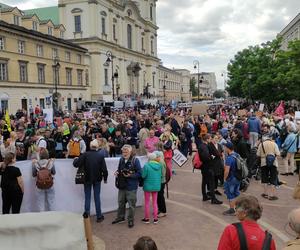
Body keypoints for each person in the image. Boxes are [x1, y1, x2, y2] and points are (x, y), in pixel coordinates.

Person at [73, 139, 108, 223]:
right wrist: (105, 178)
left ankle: (87, 215)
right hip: (97, 179)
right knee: (97, 197)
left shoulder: (85, 155)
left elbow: (76, 164)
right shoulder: (100, 156)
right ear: (97, 147)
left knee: (87, 196)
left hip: (87, 178)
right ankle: (99, 216)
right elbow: (104, 169)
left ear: (90, 146)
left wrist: (75, 159)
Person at [112, 144, 142, 228]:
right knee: (121, 203)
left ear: (130, 152)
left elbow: (140, 173)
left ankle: (130, 220)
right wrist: (117, 172)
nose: (124, 153)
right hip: (122, 185)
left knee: (131, 204)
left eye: (126, 151)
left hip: (131, 186)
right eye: (123, 151)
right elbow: (119, 169)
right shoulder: (121, 159)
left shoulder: (135, 160)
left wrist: (130, 176)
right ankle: (120, 217)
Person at [198, 134, 222, 205]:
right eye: (210, 139)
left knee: (204, 182)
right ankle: (213, 199)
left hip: (204, 167)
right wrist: (211, 157)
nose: (211, 140)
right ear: (207, 139)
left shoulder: (201, 145)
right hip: (208, 167)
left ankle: (205, 196)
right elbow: (206, 157)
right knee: (212, 183)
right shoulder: (205, 147)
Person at [257, 134, 280, 200]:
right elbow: (278, 153)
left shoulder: (261, 144)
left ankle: (265, 193)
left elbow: (258, 154)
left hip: (264, 162)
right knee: (273, 178)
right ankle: (272, 195)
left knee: (264, 178)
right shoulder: (274, 144)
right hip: (273, 163)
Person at [141, 152, 162, 224]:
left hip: (147, 186)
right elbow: (161, 175)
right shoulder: (159, 165)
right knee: (155, 202)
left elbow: (143, 176)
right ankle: (155, 218)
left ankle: (147, 218)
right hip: (156, 186)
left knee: (147, 202)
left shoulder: (146, 166)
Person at [223, 141, 241, 215]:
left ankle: (231, 209)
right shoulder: (237, 155)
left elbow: (227, 171)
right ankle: (236, 207)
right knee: (235, 193)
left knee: (230, 194)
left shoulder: (229, 158)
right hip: (238, 177)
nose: (224, 148)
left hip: (231, 178)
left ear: (228, 148)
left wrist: (224, 178)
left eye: (225, 147)